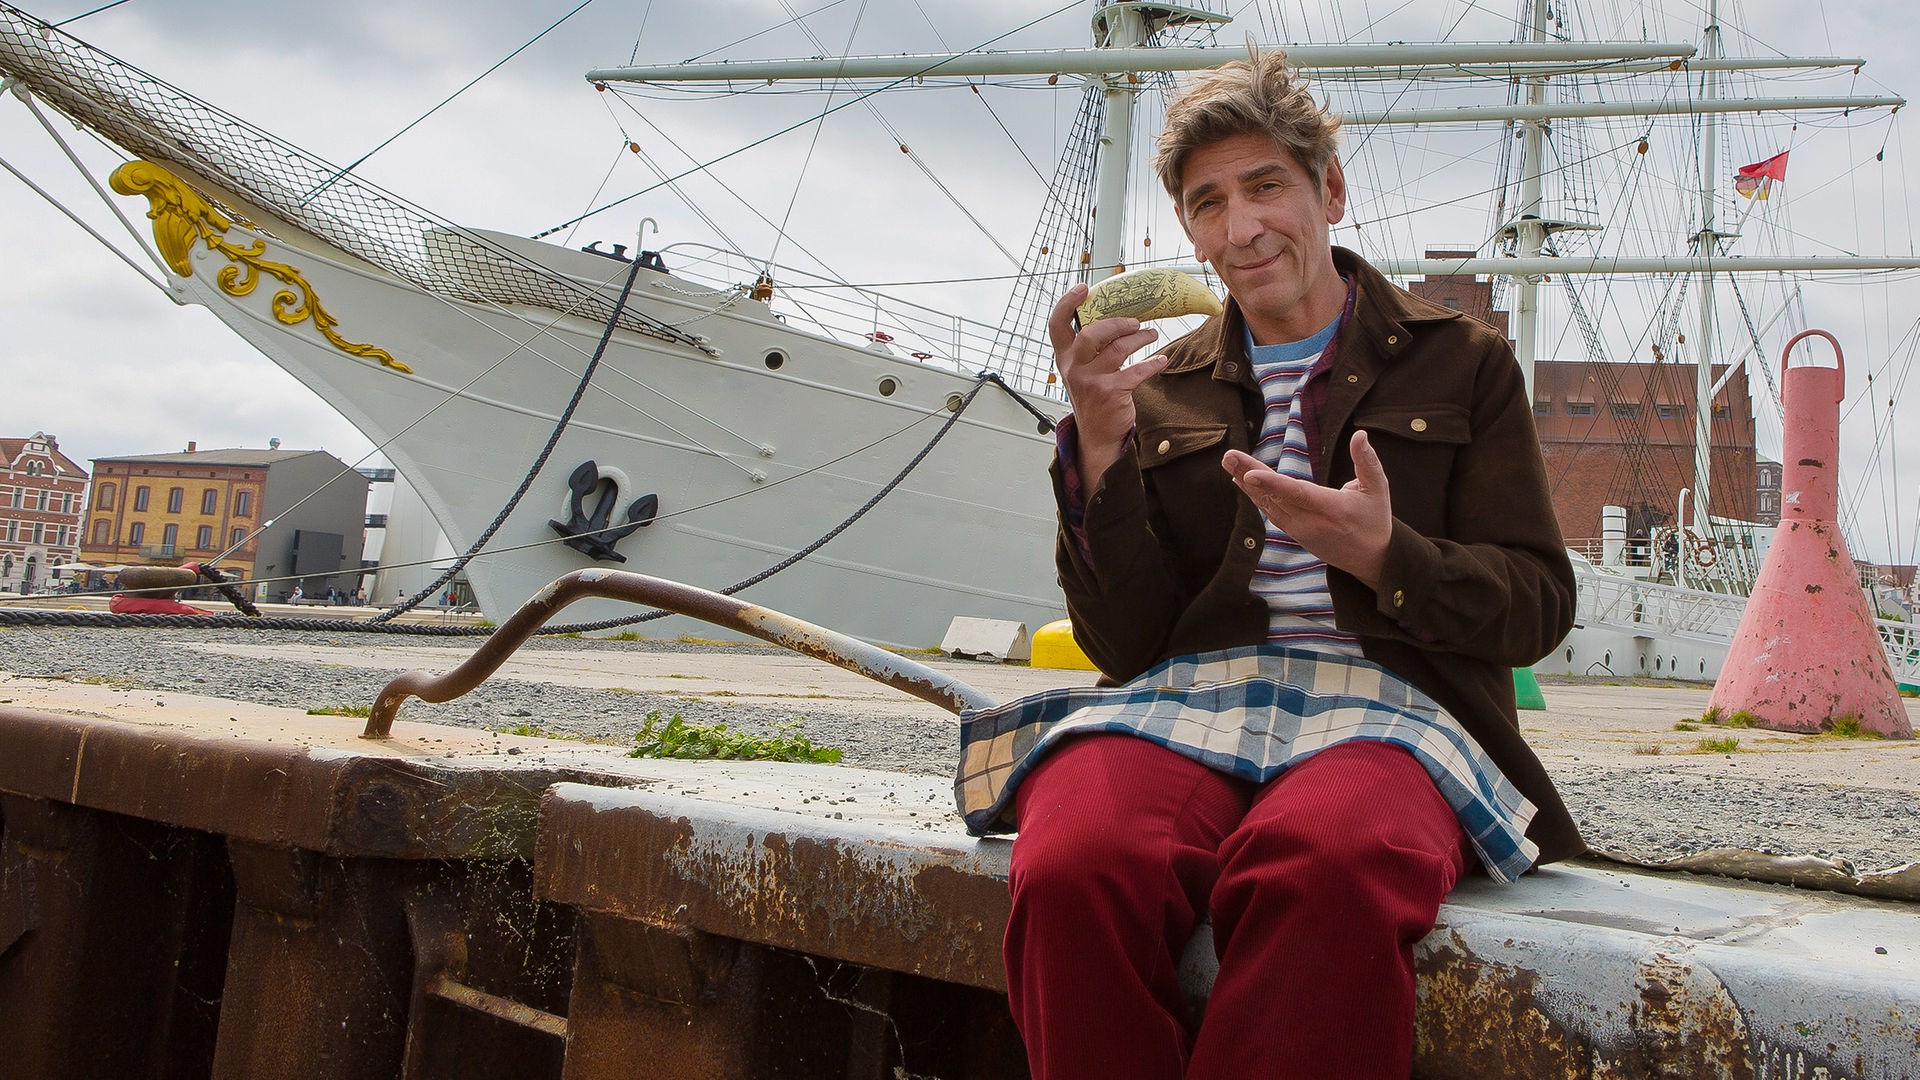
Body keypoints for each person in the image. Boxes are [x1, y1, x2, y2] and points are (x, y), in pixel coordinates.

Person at [953, 49, 1581, 1079]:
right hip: (1187, 701)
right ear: (1189, 229)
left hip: (1398, 711)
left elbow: (1540, 606)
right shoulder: (1157, 389)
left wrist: (1389, 558)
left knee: (1320, 865)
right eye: (1208, 204)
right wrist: (1101, 460)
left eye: (1266, 187)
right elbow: (1126, 644)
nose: (1240, 229)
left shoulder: (1462, 361)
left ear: (1328, 189)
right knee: (1073, 864)